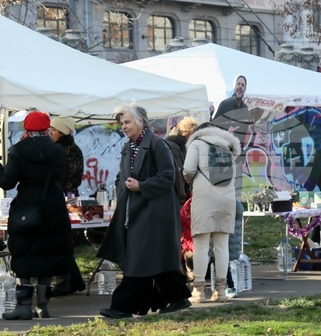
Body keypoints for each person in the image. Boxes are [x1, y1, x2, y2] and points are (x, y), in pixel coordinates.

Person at [97, 103, 192, 318]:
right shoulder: (128, 147)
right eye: (122, 123)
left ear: (141, 122)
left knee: (140, 259)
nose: (124, 126)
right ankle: (177, 298)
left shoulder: (158, 145)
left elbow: (168, 176)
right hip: (136, 211)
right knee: (155, 260)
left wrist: (142, 186)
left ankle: (122, 307)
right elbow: (123, 177)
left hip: (155, 212)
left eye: (128, 122)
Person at [0, 111, 72, 319]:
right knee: (48, 252)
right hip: (53, 205)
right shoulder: (57, 150)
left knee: (24, 251)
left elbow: (7, 182)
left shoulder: (18, 150)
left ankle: (23, 305)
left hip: (27, 207)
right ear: (46, 127)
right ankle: (42, 306)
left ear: (26, 127)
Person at [182, 122, 241, 303]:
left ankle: (199, 292)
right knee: (221, 245)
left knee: (201, 245)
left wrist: (191, 181)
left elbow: (189, 169)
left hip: (205, 198)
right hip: (227, 198)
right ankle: (221, 291)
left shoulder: (197, 143)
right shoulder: (229, 147)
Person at [47, 115, 87, 297]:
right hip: (64, 196)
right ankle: (75, 281)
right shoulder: (61, 148)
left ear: (62, 132)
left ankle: (65, 282)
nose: (50, 132)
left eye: (54, 130)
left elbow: (70, 178)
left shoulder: (68, 150)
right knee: (62, 240)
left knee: (63, 240)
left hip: (66, 198)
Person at [165, 116, 198, 207]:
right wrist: (182, 198)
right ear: (189, 134)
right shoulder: (175, 147)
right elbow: (178, 173)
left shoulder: (178, 145)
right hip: (176, 199)